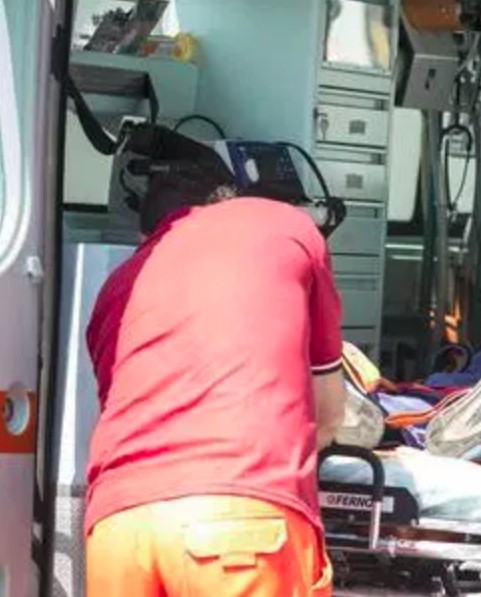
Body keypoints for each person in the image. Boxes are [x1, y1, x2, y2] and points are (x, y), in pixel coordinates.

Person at [84, 126, 347, 596]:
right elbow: (327, 416)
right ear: (226, 196)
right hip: (235, 519)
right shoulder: (286, 226)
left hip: (119, 528)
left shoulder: (120, 284)